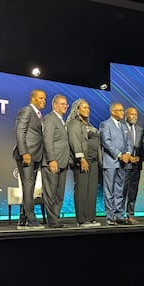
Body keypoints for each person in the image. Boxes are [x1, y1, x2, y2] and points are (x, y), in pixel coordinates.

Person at [13, 89, 46, 229]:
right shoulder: (26, 110)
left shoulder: (38, 115)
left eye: (44, 98)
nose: (43, 101)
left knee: (30, 188)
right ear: (33, 99)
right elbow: (20, 132)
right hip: (27, 156)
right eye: (41, 98)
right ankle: (31, 220)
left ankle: (23, 218)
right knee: (28, 186)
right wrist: (24, 153)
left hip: (36, 155)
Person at [67, 98, 101, 227]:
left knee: (91, 190)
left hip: (93, 161)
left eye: (88, 108)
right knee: (81, 190)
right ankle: (82, 220)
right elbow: (75, 141)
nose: (87, 110)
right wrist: (81, 159)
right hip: (82, 161)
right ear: (77, 110)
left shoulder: (89, 125)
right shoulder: (74, 124)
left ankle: (90, 218)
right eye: (84, 108)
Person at [100, 102, 132, 225]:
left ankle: (119, 214)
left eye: (122, 110)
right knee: (109, 190)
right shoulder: (105, 124)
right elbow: (106, 142)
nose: (122, 112)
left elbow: (129, 142)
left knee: (120, 189)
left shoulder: (123, 126)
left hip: (123, 163)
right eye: (120, 110)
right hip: (111, 162)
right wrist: (119, 155)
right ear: (113, 111)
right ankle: (110, 215)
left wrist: (128, 154)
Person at [41, 94, 70, 228]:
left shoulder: (62, 121)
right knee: (50, 193)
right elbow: (47, 140)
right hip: (52, 162)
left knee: (59, 194)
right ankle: (52, 221)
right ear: (54, 105)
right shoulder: (50, 119)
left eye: (66, 104)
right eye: (62, 104)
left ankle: (56, 219)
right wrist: (52, 159)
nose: (65, 106)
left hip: (63, 163)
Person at [123, 106, 144, 224]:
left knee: (133, 191)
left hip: (136, 165)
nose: (134, 116)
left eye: (136, 115)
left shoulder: (141, 130)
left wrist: (139, 159)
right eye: (131, 114)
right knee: (122, 191)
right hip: (124, 164)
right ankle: (120, 215)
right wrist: (128, 157)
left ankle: (130, 215)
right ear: (126, 115)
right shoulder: (121, 128)